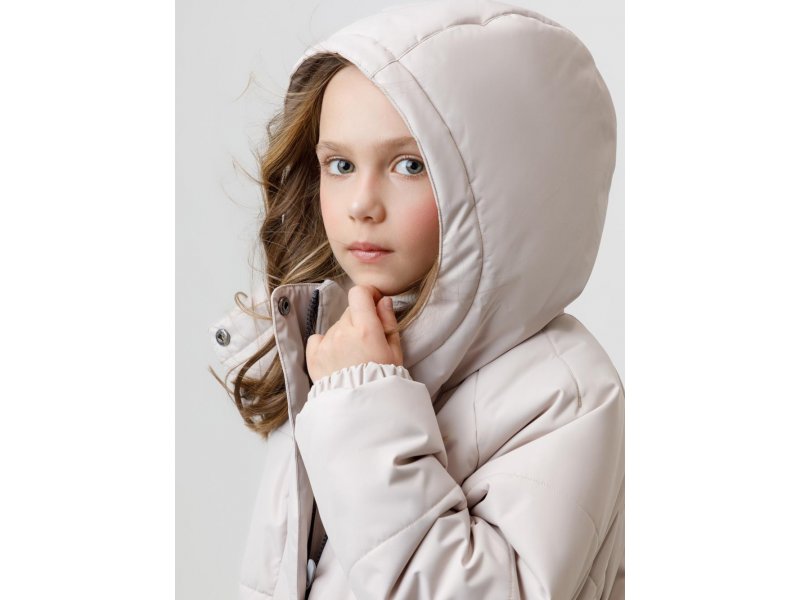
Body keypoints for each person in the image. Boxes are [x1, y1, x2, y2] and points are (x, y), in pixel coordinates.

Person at [208, 1, 624, 598]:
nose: (361, 204)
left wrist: (362, 401)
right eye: (340, 164)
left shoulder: (566, 393)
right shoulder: (335, 341)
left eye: (409, 165)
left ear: (503, 188)